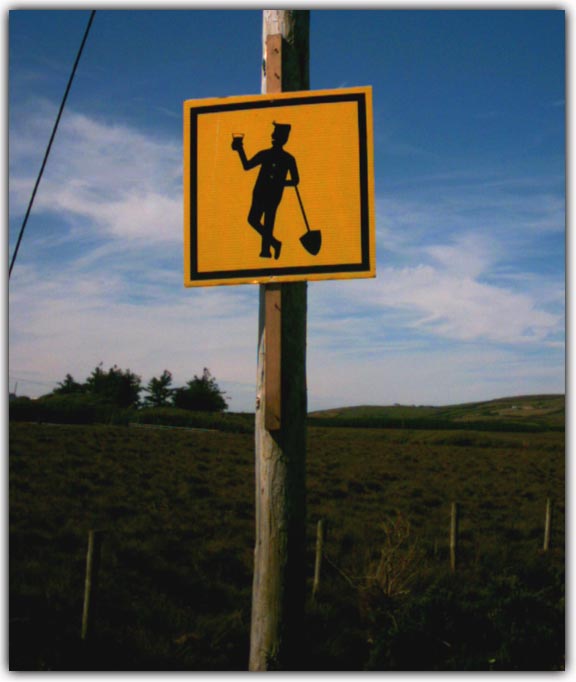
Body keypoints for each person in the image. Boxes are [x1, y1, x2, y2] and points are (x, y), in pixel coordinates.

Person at [232, 122, 299, 259]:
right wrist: (240, 149)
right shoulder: (266, 154)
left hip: (273, 194)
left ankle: (266, 251)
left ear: (282, 138)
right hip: (260, 192)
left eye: (276, 133)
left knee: (269, 222)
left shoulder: (289, 159)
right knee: (253, 219)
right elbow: (247, 165)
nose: (272, 135)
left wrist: (281, 182)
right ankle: (273, 244)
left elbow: (296, 180)